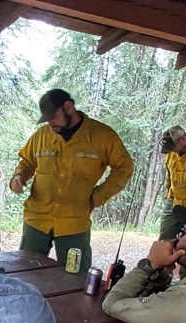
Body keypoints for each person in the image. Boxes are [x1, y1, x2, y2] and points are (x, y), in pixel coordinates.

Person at [9, 89, 134, 272]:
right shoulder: (41, 136)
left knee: (75, 278)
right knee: (26, 274)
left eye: (53, 117)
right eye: (47, 119)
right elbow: (27, 162)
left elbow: (124, 168)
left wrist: (97, 197)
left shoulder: (102, 136)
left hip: (74, 223)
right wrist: (18, 176)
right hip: (36, 219)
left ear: (68, 107)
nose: (50, 123)